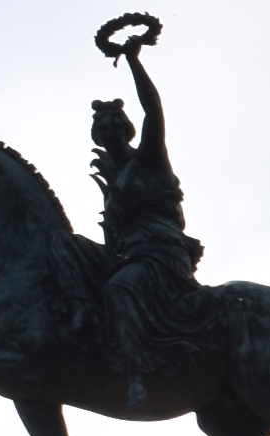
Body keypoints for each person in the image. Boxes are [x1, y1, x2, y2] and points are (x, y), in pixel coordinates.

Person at [88, 18, 215, 414]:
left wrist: (132, 61)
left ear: (125, 129)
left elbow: (152, 110)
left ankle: (139, 370)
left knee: (119, 289)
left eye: (113, 122)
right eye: (101, 124)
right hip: (133, 255)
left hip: (162, 254)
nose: (108, 128)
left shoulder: (149, 159)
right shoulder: (114, 179)